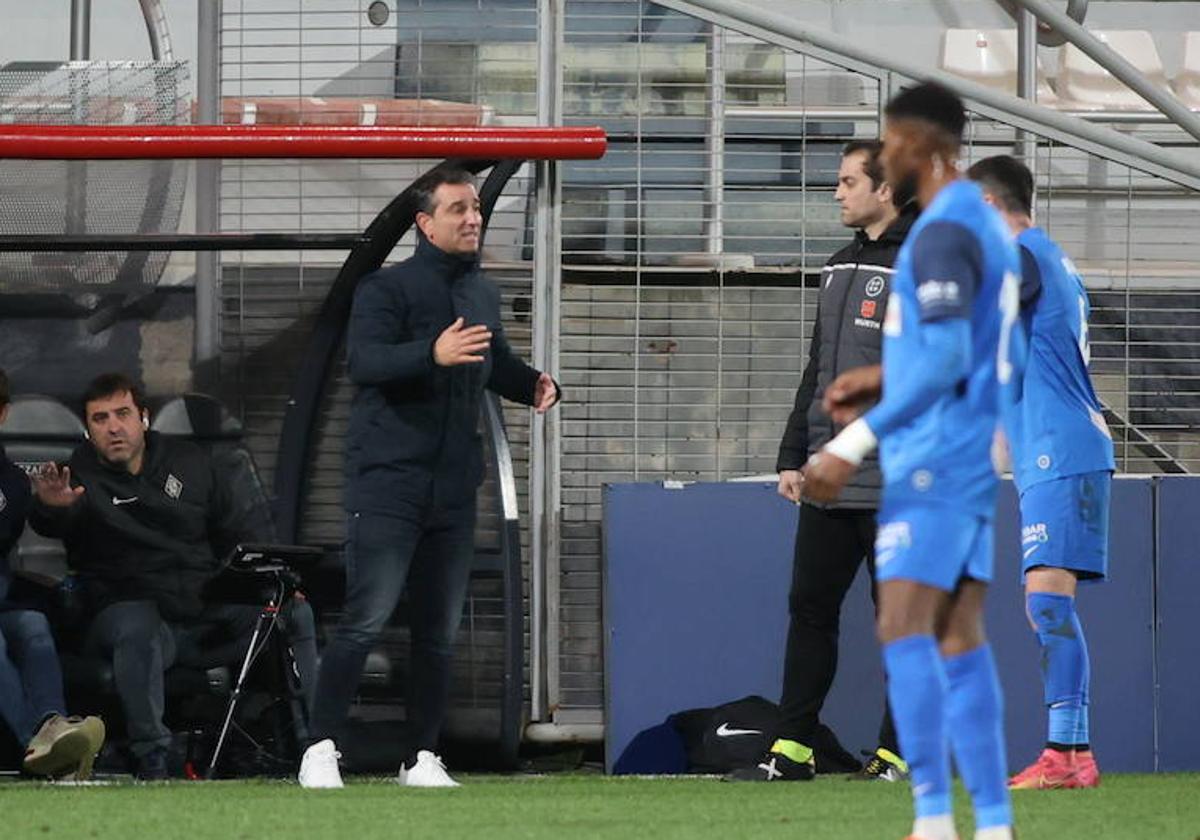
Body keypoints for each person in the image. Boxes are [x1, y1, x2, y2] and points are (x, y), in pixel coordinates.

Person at [802, 82, 1021, 840]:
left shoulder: (940, 231)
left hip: (931, 457)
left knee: (904, 629)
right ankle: (991, 824)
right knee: (959, 639)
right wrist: (881, 375)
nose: (884, 154)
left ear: (919, 145)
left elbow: (949, 355)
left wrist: (849, 444)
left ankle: (933, 819)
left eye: (889, 142)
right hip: (971, 456)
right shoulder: (985, 227)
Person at [299, 166, 560, 789]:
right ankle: (320, 748)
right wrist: (429, 354)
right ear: (425, 223)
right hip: (387, 483)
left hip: (453, 488)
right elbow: (366, 362)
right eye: (457, 209)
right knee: (365, 619)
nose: (473, 218)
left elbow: (490, 361)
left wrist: (532, 385)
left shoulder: (481, 293)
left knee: (440, 632)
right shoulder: (384, 290)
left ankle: (420, 757)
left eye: (475, 207)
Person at [730, 141, 916, 783]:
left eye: (846, 181)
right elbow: (817, 370)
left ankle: (896, 754)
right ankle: (793, 749)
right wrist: (793, 455)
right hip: (831, 479)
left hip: (897, 480)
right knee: (810, 610)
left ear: (885, 190)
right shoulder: (837, 267)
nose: (836, 193)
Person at [29, 372, 318, 780]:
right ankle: (154, 759)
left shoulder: (190, 463)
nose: (114, 426)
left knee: (290, 610)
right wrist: (53, 508)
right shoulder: (78, 477)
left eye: (123, 413)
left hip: (204, 611)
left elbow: (235, 536)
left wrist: (274, 583)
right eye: (100, 419)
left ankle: (316, 746)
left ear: (143, 418)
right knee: (137, 622)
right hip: (128, 618)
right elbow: (54, 522)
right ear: (89, 430)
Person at [967, 155, 1114, 790]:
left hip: (1064, 449)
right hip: (1051, 448)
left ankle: (1066, 757)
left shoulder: (1023, 254)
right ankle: (1070, 754)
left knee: (1048, 603)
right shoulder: (1045, 258)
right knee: (1045, 604)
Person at [0, 368, 106, 779]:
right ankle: (45, 748)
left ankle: (53, 725)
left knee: (33, 625)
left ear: (3, 413)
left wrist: (52, 507)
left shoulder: (10, 482)